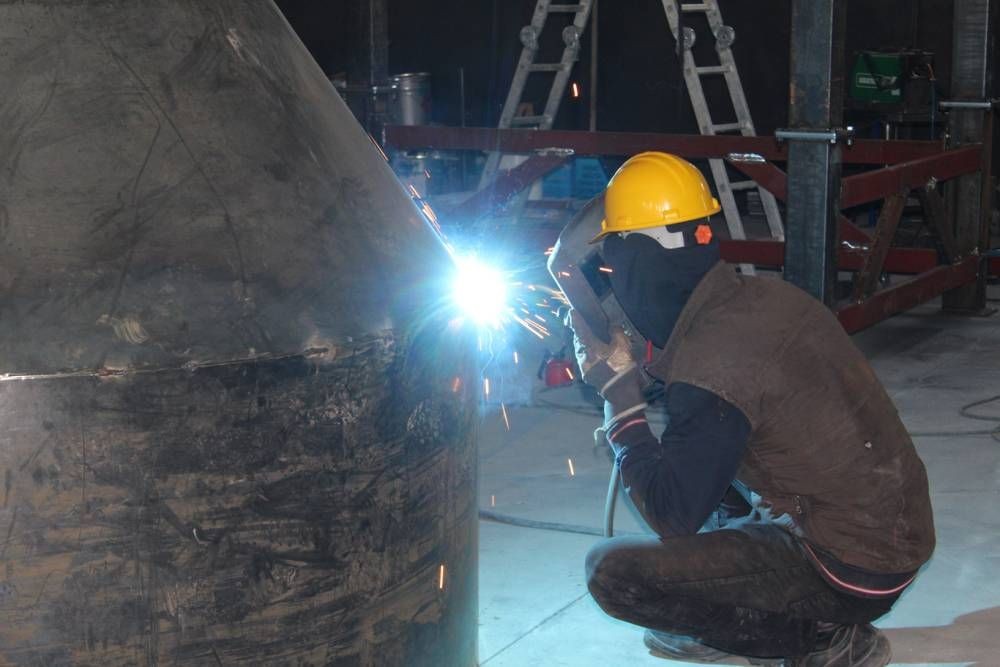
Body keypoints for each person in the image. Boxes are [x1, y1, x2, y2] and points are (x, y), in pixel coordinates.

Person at [567, 152, 935, 667]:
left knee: (612, 573)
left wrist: (620, 399)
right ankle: (788, 610)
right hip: (892, 533)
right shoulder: (764, 298)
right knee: (711, 472)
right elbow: (713, 386)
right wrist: (642, 365)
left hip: (850, 569)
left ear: (636, 259)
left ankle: (817, 637)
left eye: (614, 261)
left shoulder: (711, 365)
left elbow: (670, 513)